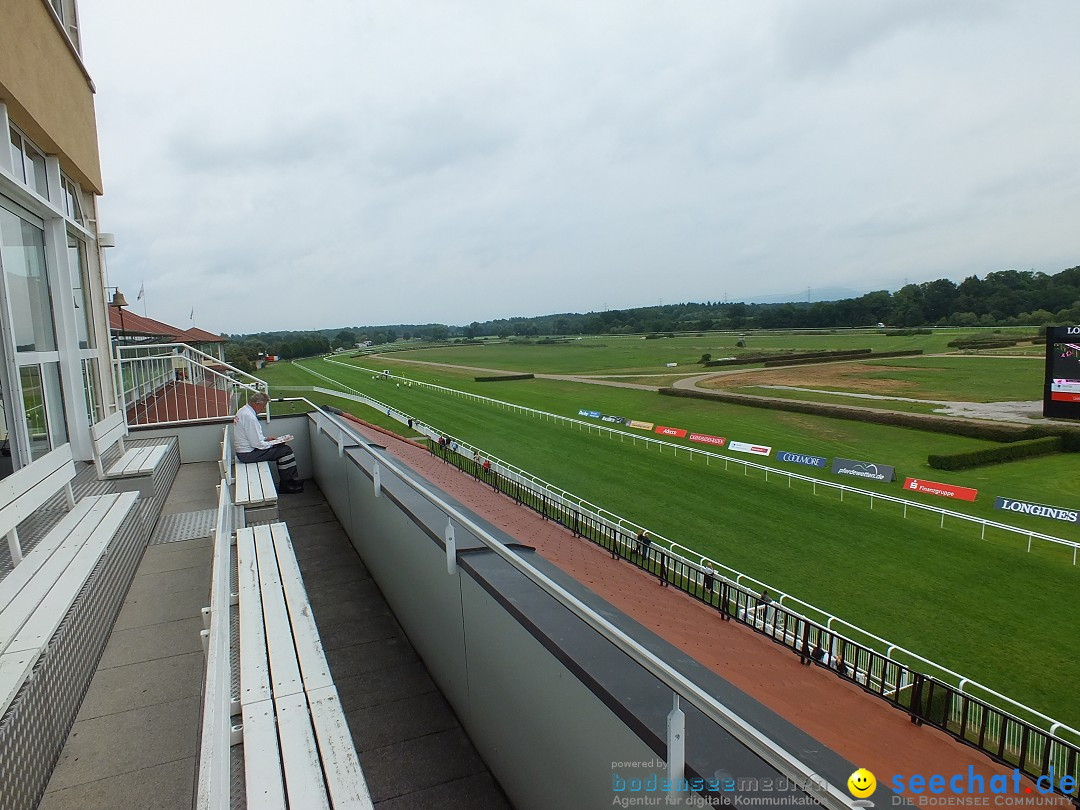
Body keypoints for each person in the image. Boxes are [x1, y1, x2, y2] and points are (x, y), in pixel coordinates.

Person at [232, 392, 302, 493]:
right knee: (286, 451)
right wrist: (274, 443)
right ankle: (288, 485)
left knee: (282, 451)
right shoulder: (250, 417)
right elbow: (257, 444)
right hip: (248, 454)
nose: (263, 409)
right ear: (257, 404)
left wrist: (266, 439)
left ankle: (289, 482)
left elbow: (252, 437)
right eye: (264, 406)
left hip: (244, 452)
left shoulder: (243, 411)